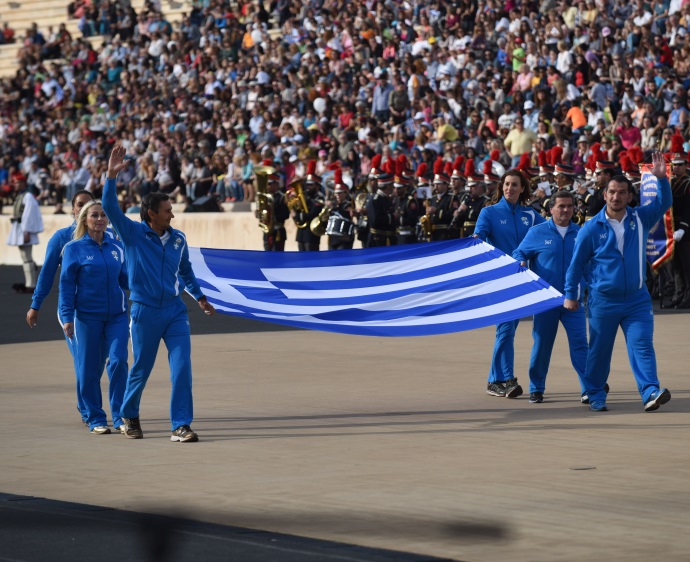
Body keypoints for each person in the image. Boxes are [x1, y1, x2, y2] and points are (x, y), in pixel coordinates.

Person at [103, 145, 216, 442]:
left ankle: (181, 425)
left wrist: (200, 297)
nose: (173, 215)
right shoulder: (132, 233)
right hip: (144, 311)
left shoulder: (178, 238)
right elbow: (111, 208)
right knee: (141, 368)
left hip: (175, 312)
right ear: (151, 214)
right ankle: (129, 414)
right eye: (167, 211)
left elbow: (186, 272)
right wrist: (111, 175)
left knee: (182, 370)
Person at [564, 152, 672, 412]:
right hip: (603, 301)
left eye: (622, 192)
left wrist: (661, 179)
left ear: (629, 196)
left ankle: (650, 392)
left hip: (637, 299)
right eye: (612, 191)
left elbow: (664, 202)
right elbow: (576, 264)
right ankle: (596, 394)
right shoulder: (591, 228)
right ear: (605, 194)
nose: (616, 196)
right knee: (599, 352)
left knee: (642, 346)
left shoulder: (640, 218)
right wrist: (571, 294)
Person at [27, 190, 98, 424]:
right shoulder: (62, 238)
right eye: (80, 205)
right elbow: (47, 273)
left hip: (102, 311)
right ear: (73, 209)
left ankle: (86, 402)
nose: (84, 209)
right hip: (72, 311)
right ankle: (89, 411)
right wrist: (36, 304)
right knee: (83, 360)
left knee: (98, 362)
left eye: (90, 205)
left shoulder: (106, 237)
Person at [59, 200, 128, 434]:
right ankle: (95, 417)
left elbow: (127, 280)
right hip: (87, 317)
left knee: (119, 362)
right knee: (88, 368)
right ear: (85, 220)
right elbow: (66, 286)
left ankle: (120, 416)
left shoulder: (117, 247)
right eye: (94, 215)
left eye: (103, 216)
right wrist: (67, 317)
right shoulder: (73, 248)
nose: (100, 219)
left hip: (117, 316)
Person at [474, 170, 545, 398]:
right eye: (506, 184)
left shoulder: (531, 215)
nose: (510, 189)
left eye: (515, 185)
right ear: (501, 187)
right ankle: (506, 378)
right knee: (505, 330)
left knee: (507, 331)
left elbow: (551, 231)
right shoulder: (489, 213)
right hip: (500, 281)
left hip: (523, 281)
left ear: (522, 188)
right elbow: (478, 241)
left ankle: (494, 381)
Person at [513, 191, 588, 404]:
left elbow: (591, 263)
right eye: (561, 206)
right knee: (542, 345)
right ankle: (536, 388)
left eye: (569, 206)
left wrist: (592, 287)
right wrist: (520, 261)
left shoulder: (581, 233)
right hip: (546, 301)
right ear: (551, 209)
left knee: (581, 345)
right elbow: (519, 252)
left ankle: (589, 387)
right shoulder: (537, 232)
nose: (566, 210)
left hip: (573, 301)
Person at [7, 175, 43, 293]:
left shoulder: (27, 196)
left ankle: (31, 284)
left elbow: (29, 214)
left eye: (17, 182)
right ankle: (30, 279)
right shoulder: (21, 195)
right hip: (20, 227)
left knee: (27, 257)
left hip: (25, 228)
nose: (16, 184)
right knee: (24, 256)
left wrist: (27, 231)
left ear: (23, 183)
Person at [669, 153, 690, 309]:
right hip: (672, 228)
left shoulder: (688, 184)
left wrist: (683, 228)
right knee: (676, 265)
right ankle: (679, 294)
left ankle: (688, 296)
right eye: (673, 165)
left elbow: (689, 209)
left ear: (686, 166)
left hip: (685, 230)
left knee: (686, 265)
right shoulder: (670, 183)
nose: (676, 167)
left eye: (679, 164)